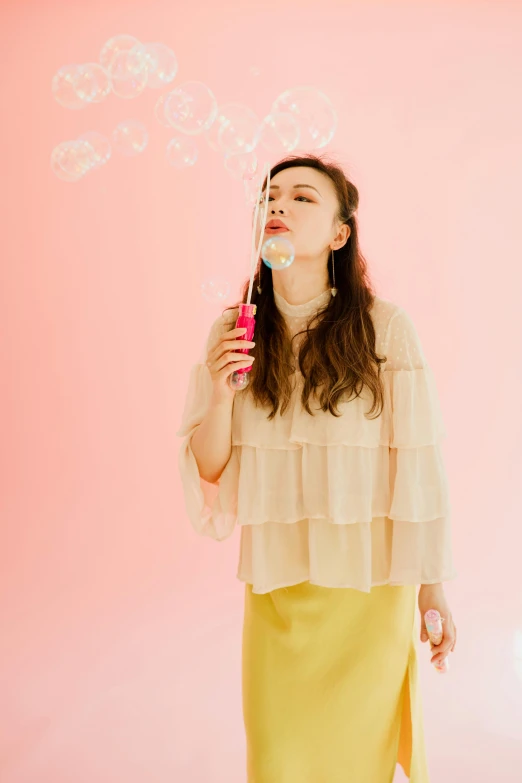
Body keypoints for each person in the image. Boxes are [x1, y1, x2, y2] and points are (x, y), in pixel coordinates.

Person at [176, 153, 457, 783]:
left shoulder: (386, 330)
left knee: (359, 766)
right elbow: (210, 470)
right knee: (279, 765)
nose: (278, 205)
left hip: (370, 593)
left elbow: (417, 467)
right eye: (271, 196)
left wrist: (432, 589)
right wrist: (221, 392)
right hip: (279, 599)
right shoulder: (234, 330)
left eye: (303, 197)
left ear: (340, 233)